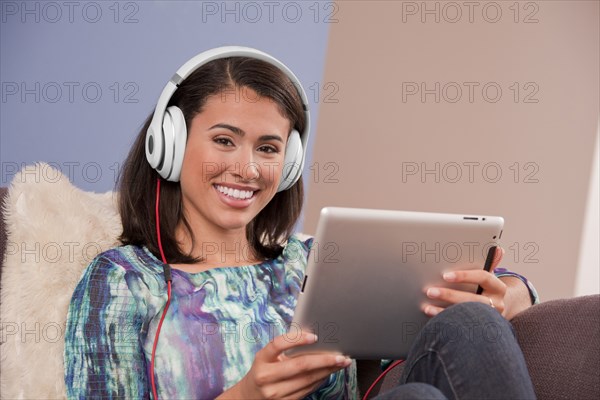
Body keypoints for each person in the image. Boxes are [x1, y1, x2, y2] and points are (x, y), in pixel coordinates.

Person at [63, 47, 539, 399]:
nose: (248, 169)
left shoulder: (316, 260)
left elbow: (497, 294)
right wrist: (247, 394)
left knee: (467, 325)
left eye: (268, 148)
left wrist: (509, 295)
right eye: (225, 140)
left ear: (288, 164)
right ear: (169, 144)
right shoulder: (122, 279)